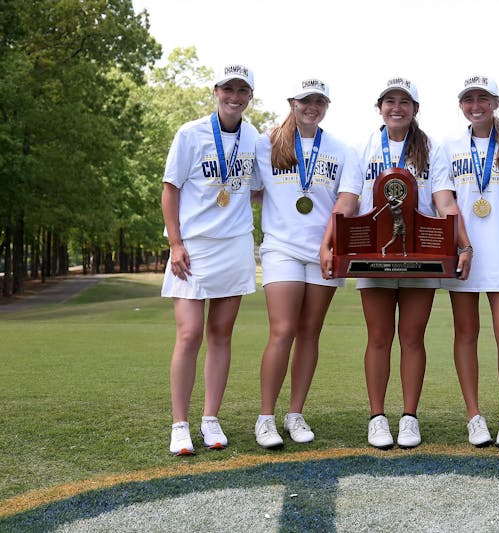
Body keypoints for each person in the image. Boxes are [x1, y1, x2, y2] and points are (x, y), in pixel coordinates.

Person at [320, 77, 472, 450]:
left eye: (405, 102)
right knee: (378, 338)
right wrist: (328, 243)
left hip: (420, 254)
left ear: (415, 109)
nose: (397, 108)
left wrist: (464, 246)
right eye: (390, 101)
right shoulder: (363, 147)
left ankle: (408, 417)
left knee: (412, 338)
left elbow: (444, 202)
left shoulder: (430, 148)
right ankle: (376, 418)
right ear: (380, 107)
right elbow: (348, 201)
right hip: (374, 255)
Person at [252, 79, 359, 449]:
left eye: (319, 101)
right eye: (305, 100)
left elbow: (347, 201)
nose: (312, 106)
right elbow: (248, 190)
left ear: (326, 104)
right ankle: (266, 418)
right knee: (282, 330)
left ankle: (294, 413)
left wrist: (331, 243)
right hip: (281, 248)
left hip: (324, 251)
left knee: (310, 332)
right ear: (292, 102)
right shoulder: (264, 144)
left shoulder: (342, 149)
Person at [161, 64, 259, 456]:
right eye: (228, 89)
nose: (234, 96)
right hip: (194, 247)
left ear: (250, 96)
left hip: (234, 245)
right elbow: (170, 188)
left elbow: (255, 190)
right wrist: (175, 243)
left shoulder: (254, 137)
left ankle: (210, 419)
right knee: (189, 334)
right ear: (216, 91)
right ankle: (180, 424)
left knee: (221, 334)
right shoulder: (190, 133)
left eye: (243, 90)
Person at [441, 75, 499, 449]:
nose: (475, 105)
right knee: (467, 333)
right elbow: (444, 200)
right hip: (463, 252)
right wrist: (461, 244)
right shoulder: (448, 145)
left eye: (482, 98)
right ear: (461, 105)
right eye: (468, 99)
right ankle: (474, 416)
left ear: (495, 102)